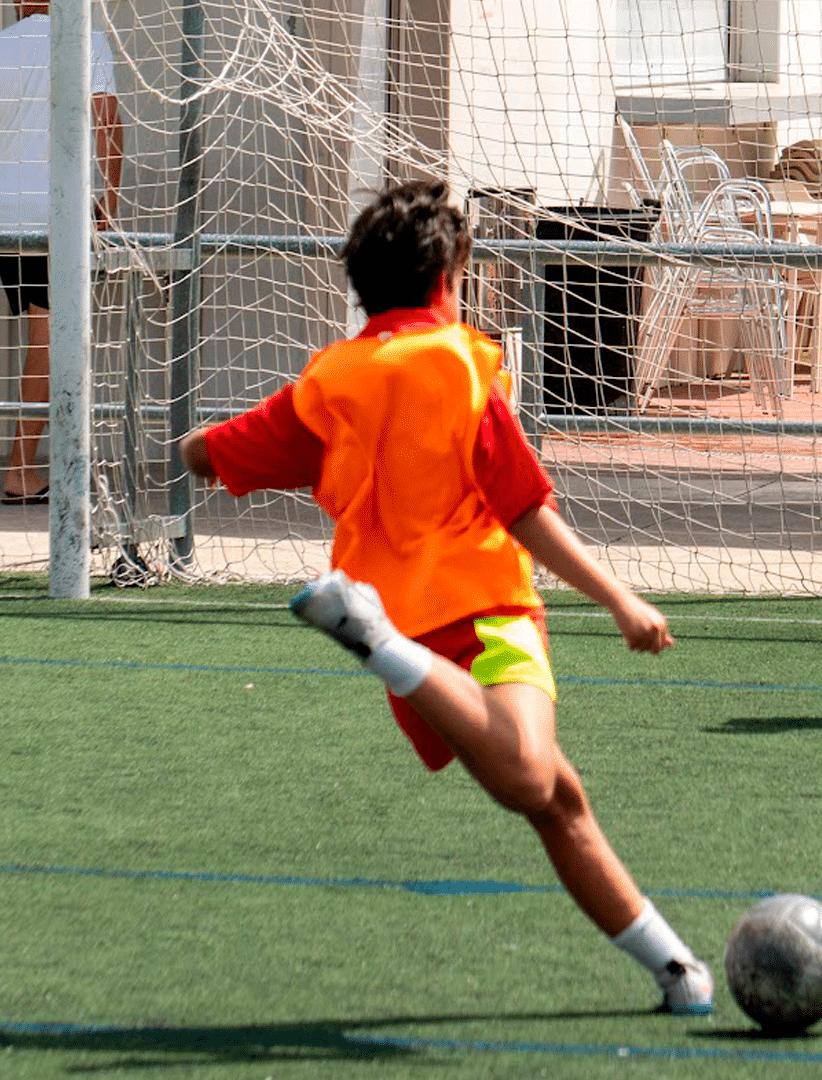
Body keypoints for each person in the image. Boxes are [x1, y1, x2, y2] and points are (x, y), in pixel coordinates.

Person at [176, 180, 716, 1015]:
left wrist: (193, 444)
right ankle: (374, 642)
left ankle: (674, 968)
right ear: (451, 279)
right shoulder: (460, 363)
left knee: (557, 797)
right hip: (485, 612)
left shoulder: (332, 383)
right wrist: (619, 599)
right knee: (531, 779)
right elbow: (526, 508)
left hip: (414, 646)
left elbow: (210, 457)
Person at [0, 0, 123, 504]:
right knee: (47, 340)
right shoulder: (88, 41)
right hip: (58, 212)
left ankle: (41, 464)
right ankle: (21, 470)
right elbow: (108, 125)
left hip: (7, 214)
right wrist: (112, 202)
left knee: (46, 335)